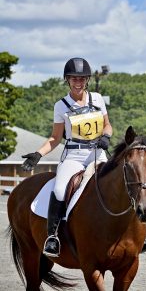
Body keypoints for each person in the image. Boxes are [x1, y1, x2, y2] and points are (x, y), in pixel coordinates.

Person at [21, 57, 113, 257]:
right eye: (73, 79)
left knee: (116, 184)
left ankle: (131, 233)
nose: (78, 82)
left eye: (81, 79)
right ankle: (52, 236)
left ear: (87, 80)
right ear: (67, 80)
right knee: (61, 189)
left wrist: (106, 136)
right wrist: (38, 154)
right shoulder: (61, 106)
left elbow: (107, 124)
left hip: (98, 153)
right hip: (74, 156)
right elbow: (55, 138)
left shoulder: (97, 99)